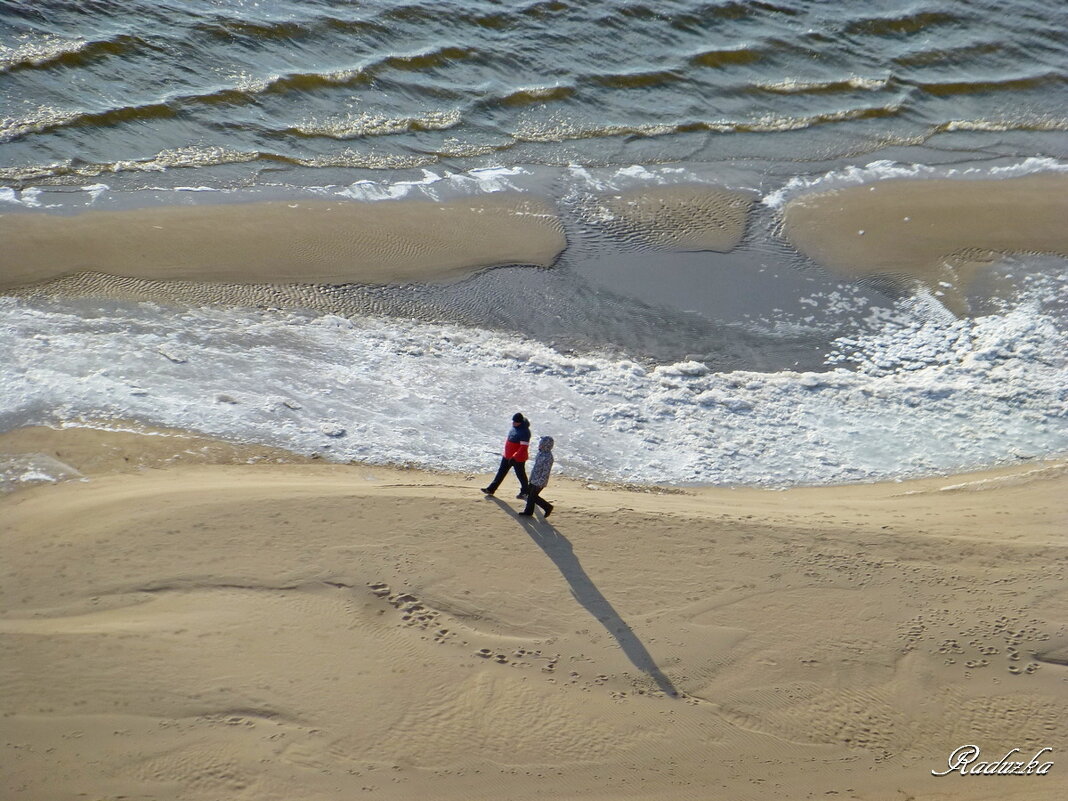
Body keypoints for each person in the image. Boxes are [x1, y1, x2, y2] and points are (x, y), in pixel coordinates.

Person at [481, 413, 531, 498]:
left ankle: (525, 492)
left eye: (515, 422)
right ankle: (491, 489)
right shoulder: (514, 427)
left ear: (520, 422)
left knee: (520, 475)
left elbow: (523, 447)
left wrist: (514, 457)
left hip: (518, 458)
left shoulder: (525, 432)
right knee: (501, 473)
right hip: (507, 456)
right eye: (513, 421)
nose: (513, 423)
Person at [518, 436, 554, 518]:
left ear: (546, 445)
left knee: (533, 496)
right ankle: (528, 511)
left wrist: (541, 481)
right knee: (530, 495)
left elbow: (546, 471)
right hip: (534, 478)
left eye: (541, 444)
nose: (539, 445)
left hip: (540, 481)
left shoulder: (548, 457)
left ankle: (548, 507)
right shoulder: (540, 453)